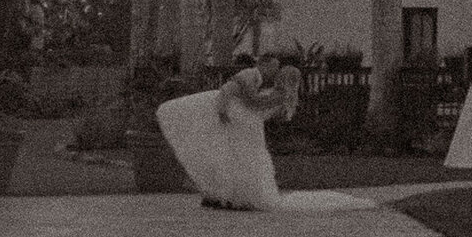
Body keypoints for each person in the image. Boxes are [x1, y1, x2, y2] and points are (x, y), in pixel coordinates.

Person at [156, 58, 374, 212]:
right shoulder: (280, 94)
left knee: (245, 160)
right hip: (247, 122)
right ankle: (231, 197)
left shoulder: (279, 94)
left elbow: (256, 105)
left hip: (248, 123)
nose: (277, 75)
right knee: (238, 159)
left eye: (281, 74)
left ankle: (239, 197)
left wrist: (243, 93)